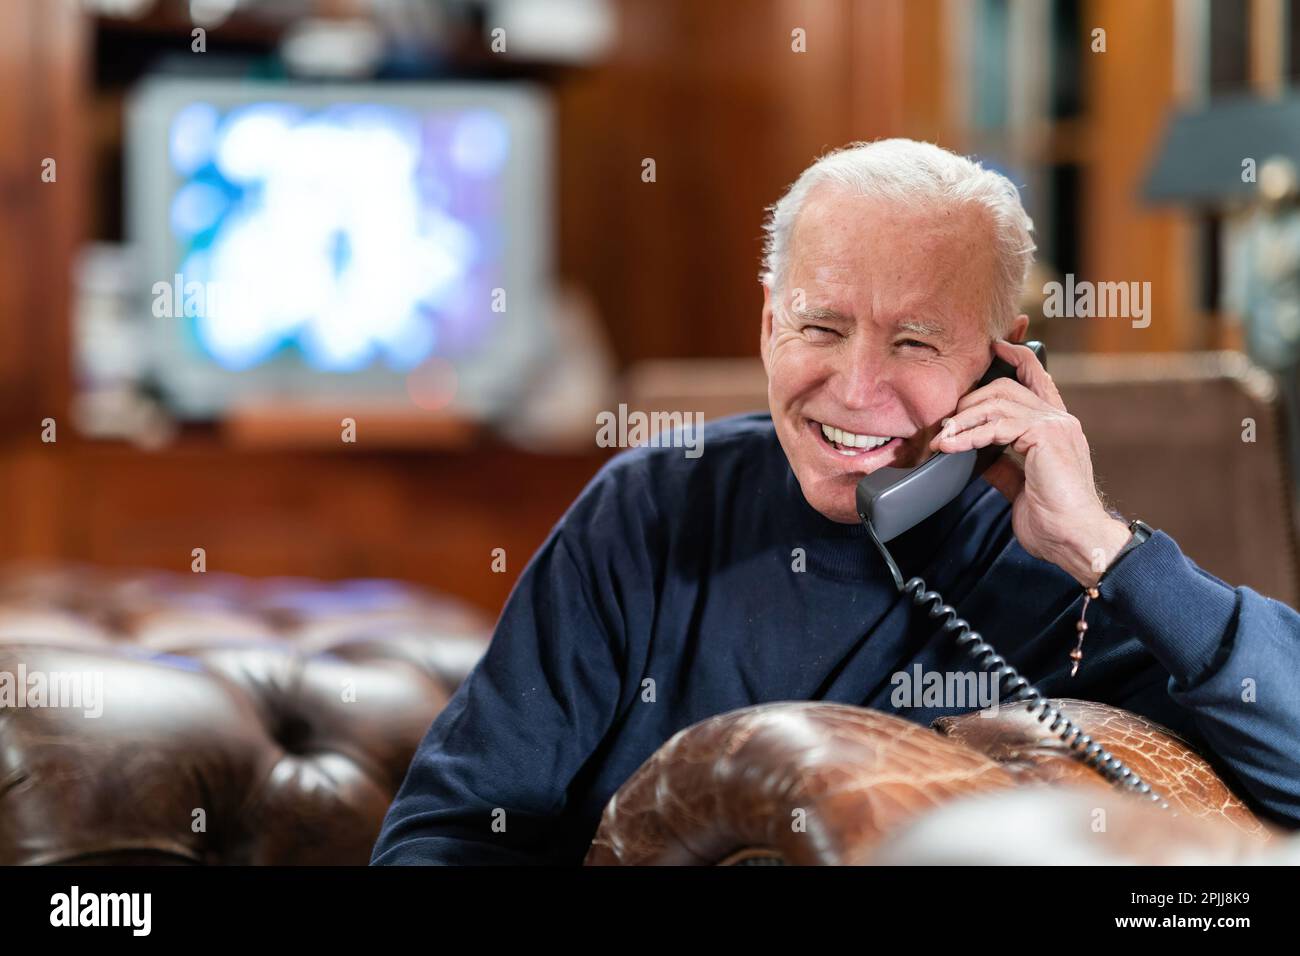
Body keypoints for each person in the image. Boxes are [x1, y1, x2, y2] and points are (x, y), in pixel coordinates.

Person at [372, 139, 1300, 865]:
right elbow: (451, 833)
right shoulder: (652, 504)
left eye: (915, 343)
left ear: (1007, 359)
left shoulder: (1073, 578)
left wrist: (1105, 548)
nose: (855, 391)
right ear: (770, 323)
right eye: (821, 326)